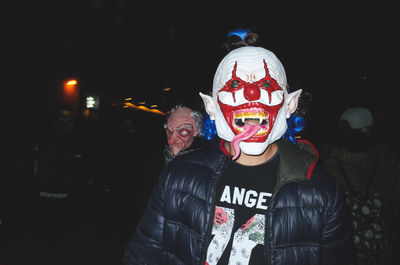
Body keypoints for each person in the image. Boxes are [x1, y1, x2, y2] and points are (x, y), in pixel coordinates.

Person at [122, 29, 352, 265]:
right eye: (233, 83)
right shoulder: (179, 176)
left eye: (266, 84)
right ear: (211, 107)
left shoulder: (321, 193)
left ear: (290, 104)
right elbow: (142, 256)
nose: (251, 92)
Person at [320, 107, 400, 265]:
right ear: (367, 130)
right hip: (377, 251)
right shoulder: (389, 163)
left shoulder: (324, 162)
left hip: (339, 251)